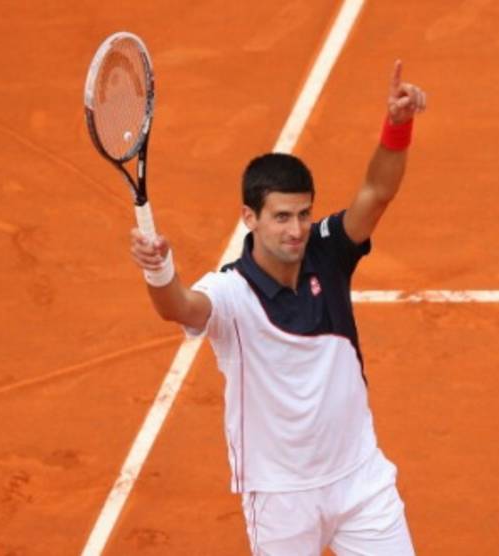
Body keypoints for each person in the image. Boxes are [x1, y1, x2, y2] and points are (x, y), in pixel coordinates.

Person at [130, 60, 426, 555]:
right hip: (281, 499)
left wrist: (398, 126)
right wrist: (158, 269)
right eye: (282, 217)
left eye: (304, 214)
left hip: (360, 479)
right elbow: (178, 307)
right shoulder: (230, 292)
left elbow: (377, 193)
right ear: (250, 217)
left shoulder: (328, 253)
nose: (296, 230)